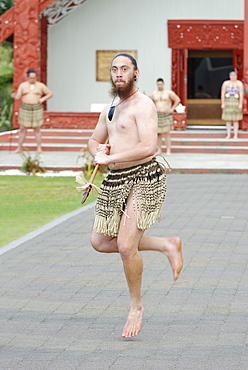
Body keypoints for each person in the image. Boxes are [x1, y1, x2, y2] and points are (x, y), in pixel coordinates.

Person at [88, 53, 183, 338]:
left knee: (128, 247)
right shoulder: (111, 107)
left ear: (136, 73)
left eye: (124, 69)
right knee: (100, 241)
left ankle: (136, 306)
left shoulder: (144, 105)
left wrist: (111, 156)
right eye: (115, 69)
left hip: (143, 178)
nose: (119, 73)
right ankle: (168, 244)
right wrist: (98, 152)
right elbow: (94, 140)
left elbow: (148, 147)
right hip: (116, 180)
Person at [11, 69, 53, 153]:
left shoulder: (41, 86)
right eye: (31, 78)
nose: (32, 80)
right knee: (23, 128)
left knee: (37, 128)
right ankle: (19, 148)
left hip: (36, 107)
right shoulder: (23, 85)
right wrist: (14, 96)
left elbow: (50, 93)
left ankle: (39, 148)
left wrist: (42, 99)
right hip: (25, 108)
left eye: (34, 78)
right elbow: (18, 97)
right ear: (27, 77)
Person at [149, 78, 180, 155]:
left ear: (163, 84)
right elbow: (149, 102)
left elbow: (177, 99)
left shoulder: (168, 93)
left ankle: (168, 149)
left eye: (161, 84)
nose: (159, 86)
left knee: (166, 133)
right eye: (158, 84)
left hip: (166, 114)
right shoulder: (153, 94)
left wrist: (172, 109)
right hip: (157, 114)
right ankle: (159, 149)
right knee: (158, 133)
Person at [221, 70, 244, 139]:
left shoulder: (239, 84)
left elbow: (241, 94)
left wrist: (240, 103)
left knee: (235, 119)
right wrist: (223, 103)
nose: (233, 77)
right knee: (228, 119)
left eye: (234, 76)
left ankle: (235, 134)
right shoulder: (226, 83)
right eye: (231, 76)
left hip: (235, 101)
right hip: (228, 101)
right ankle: (228, 134)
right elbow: (222, 93)